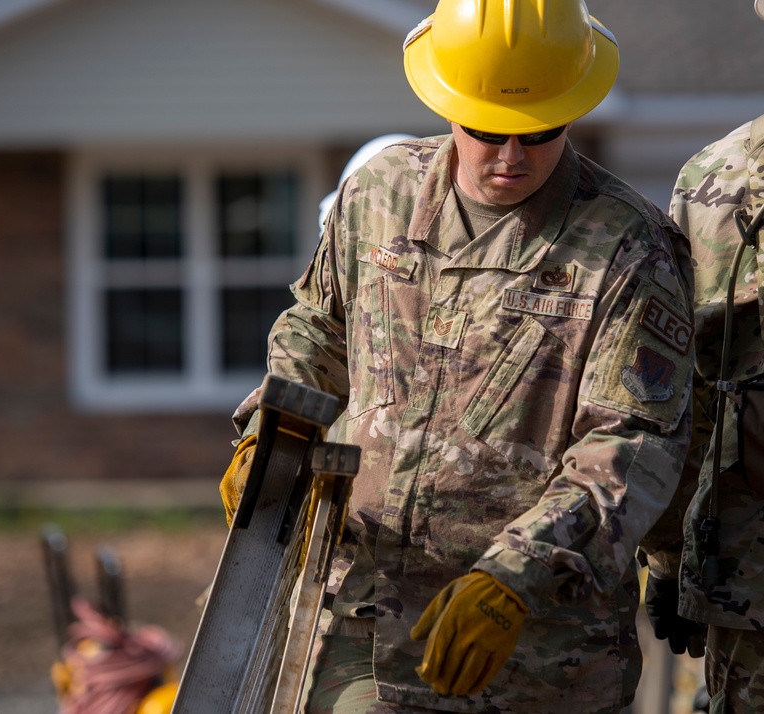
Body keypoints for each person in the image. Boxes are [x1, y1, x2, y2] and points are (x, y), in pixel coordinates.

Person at [220, 0, 696, 711]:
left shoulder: (628, 246)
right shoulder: (379, 193)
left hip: (539, 648)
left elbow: (633, 445)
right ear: (449, 103)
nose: (512, 156)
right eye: (488, 130)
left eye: (539, 132)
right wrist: (276, 430)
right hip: (366, 621)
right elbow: (320, 327)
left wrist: (513, 577)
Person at [646, 3, 764, 709]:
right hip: (745, 587)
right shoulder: (715, 182)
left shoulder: (716, 177)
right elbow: (681, 391)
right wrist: (670, 557)